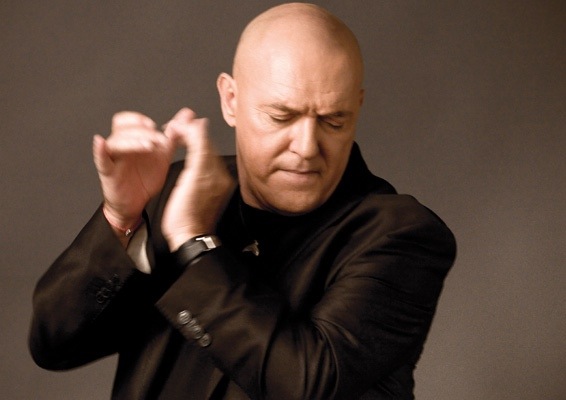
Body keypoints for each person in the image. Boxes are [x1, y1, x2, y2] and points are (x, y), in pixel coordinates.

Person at [29, 3, 456, 399]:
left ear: (357, 107)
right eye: (281, 117)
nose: (307, 147)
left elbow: (309, 384)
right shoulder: (173, 190)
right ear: (230, 100)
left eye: (333, 120)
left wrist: (194, 241)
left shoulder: (403, 235)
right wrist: (121, 219)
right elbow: (53, 345)